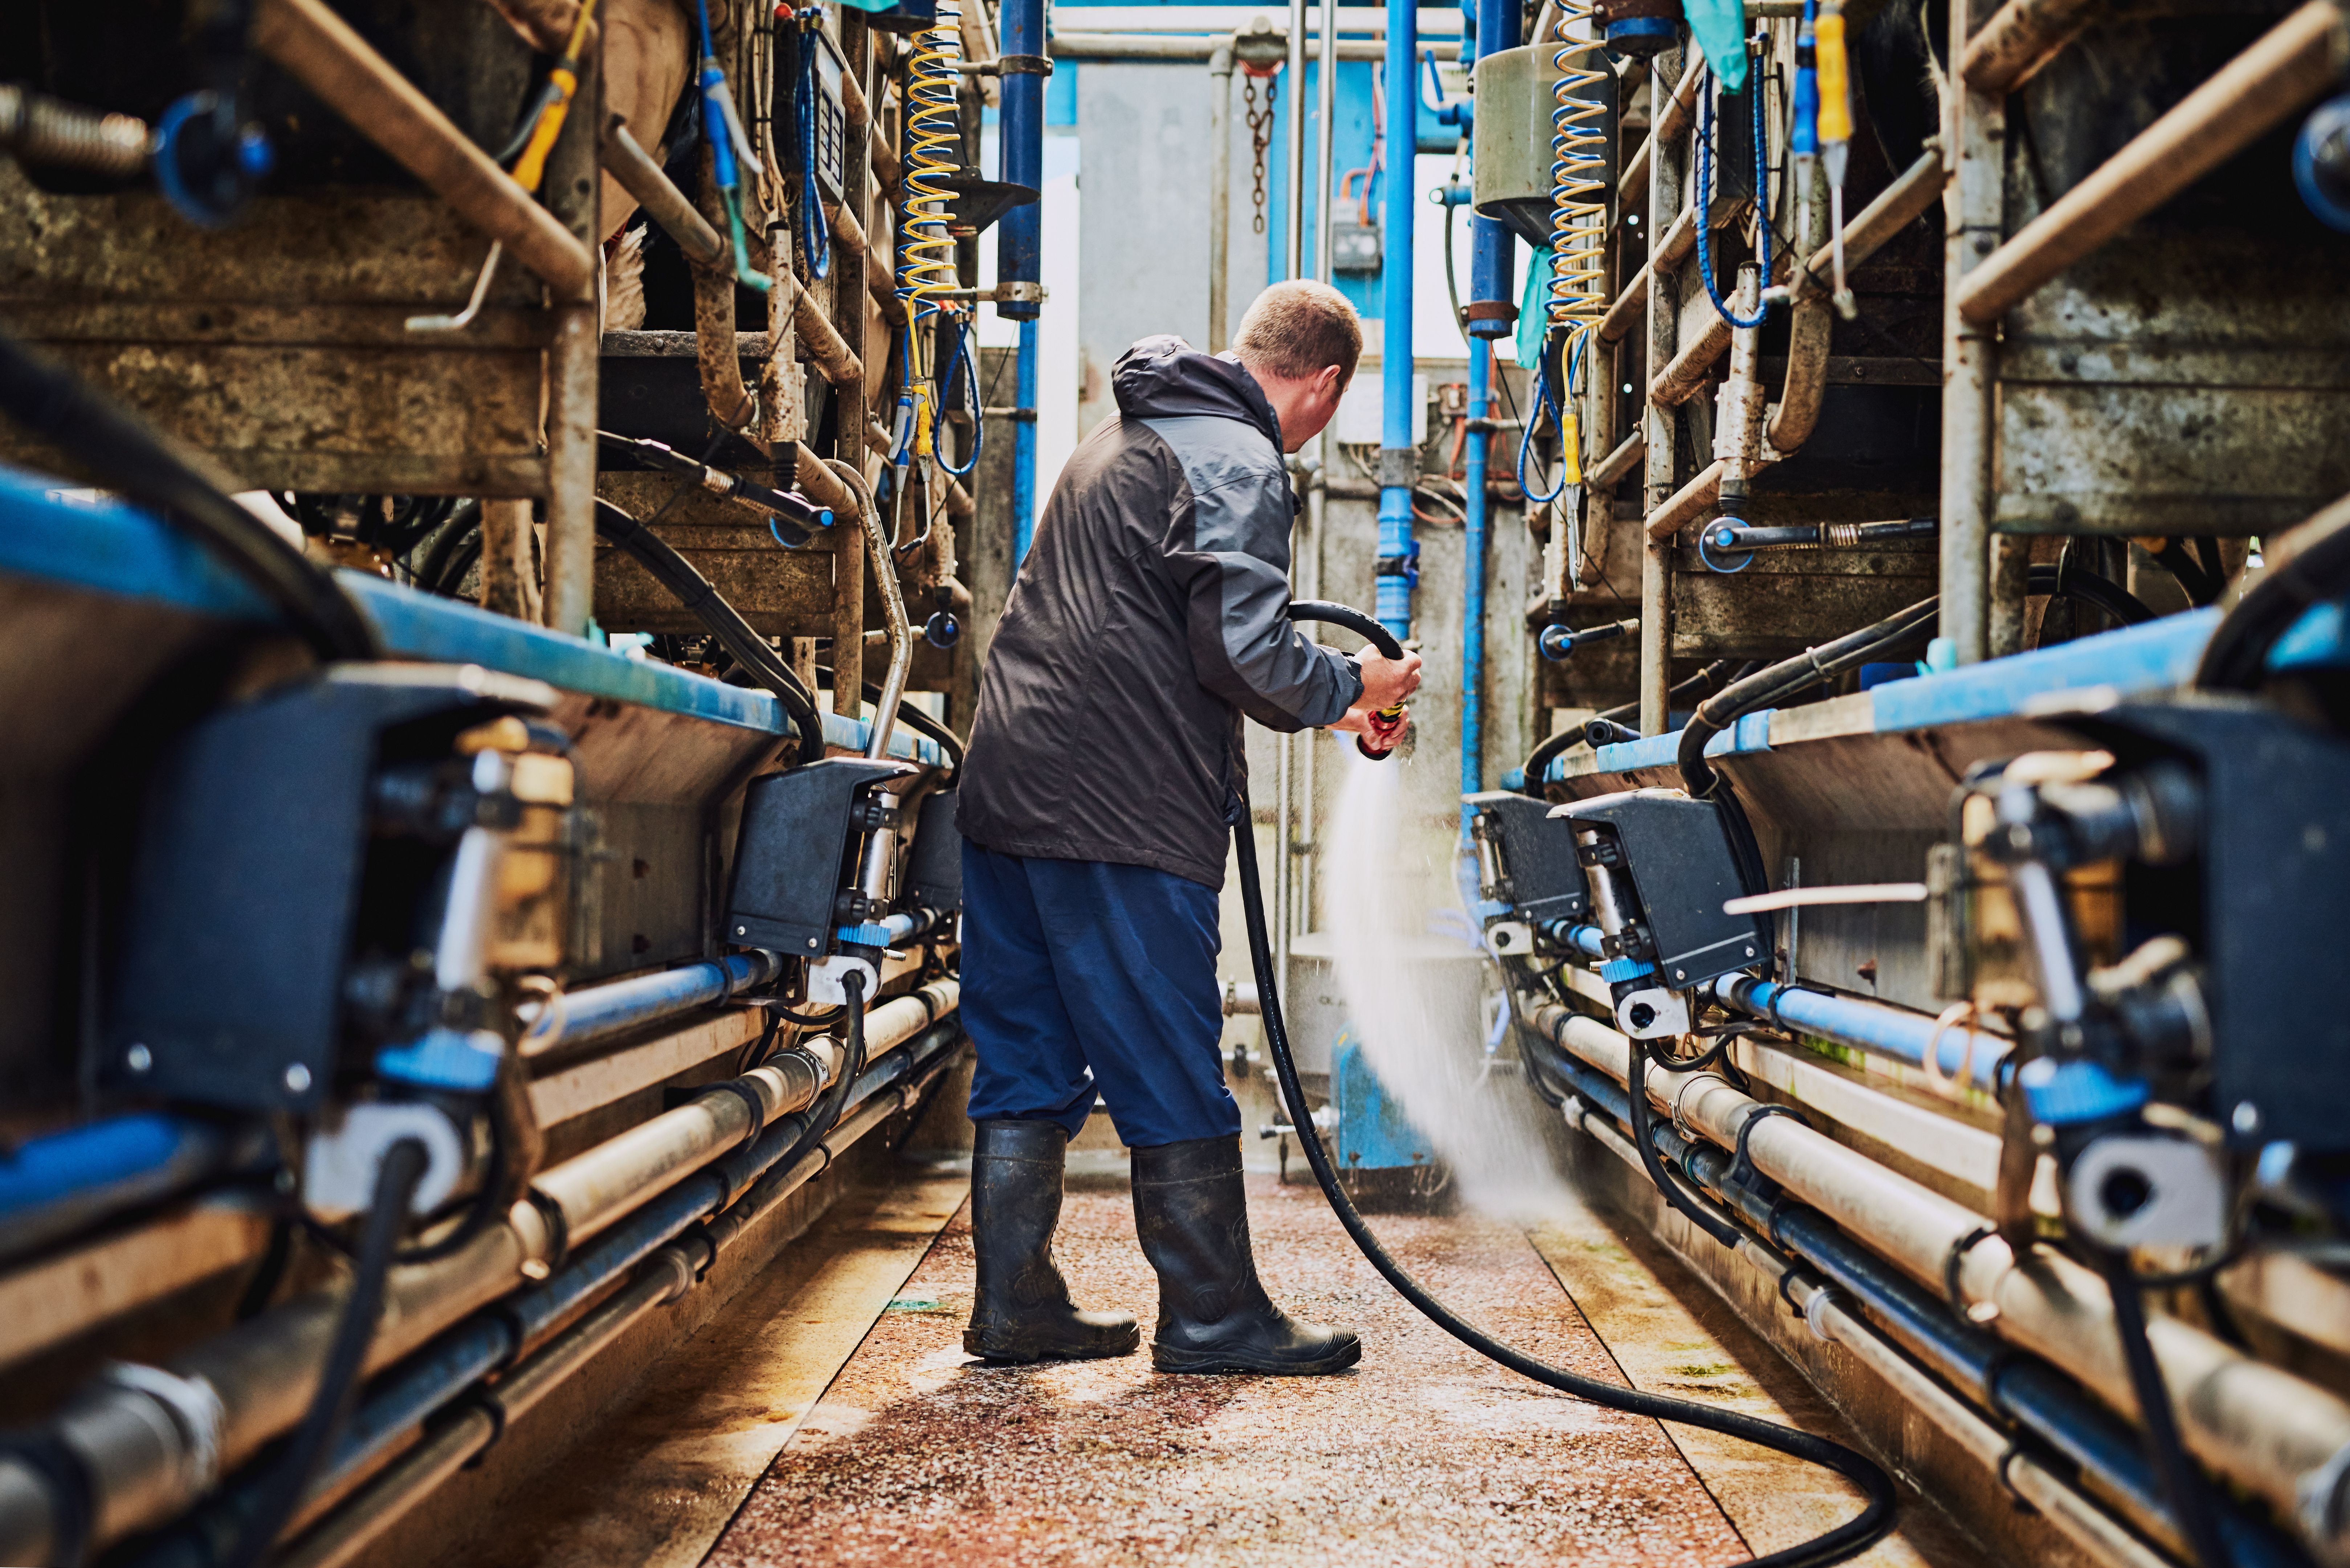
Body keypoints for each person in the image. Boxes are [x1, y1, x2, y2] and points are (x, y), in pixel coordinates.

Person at [953, 280, 1424, 1376]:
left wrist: (1335, 697)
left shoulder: (1117, 436)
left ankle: (1014, 1306)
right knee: (1168, 1052)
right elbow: (1243, 654)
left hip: (1010, 786)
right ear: (1323, 383)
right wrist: (1357, 676)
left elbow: (1183, 631)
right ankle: (1214, 1316)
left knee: (1024, 1055)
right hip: (1116, 804)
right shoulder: (1237, 458)